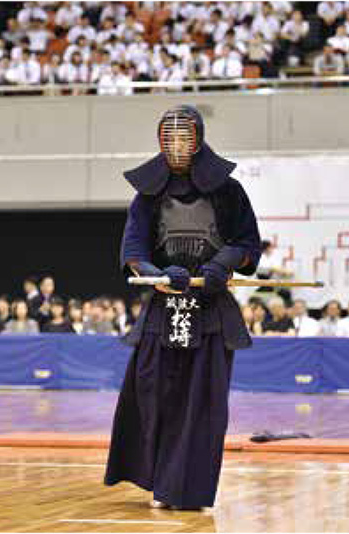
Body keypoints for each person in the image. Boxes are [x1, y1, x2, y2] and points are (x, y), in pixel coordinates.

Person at [105, 105, 262, 511]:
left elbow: (248, 245)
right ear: (160, 141)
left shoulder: (228, 191)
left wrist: (224, 262)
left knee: (203, 403)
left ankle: (187, 489)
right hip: (164, 308)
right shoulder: (147, 195)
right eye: (168, 137)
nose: (176, 145)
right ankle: (159, 480)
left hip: (211, 311)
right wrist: (159, 274)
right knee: (152, 392)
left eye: (183, 137)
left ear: (198, 140)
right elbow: (134, 252)